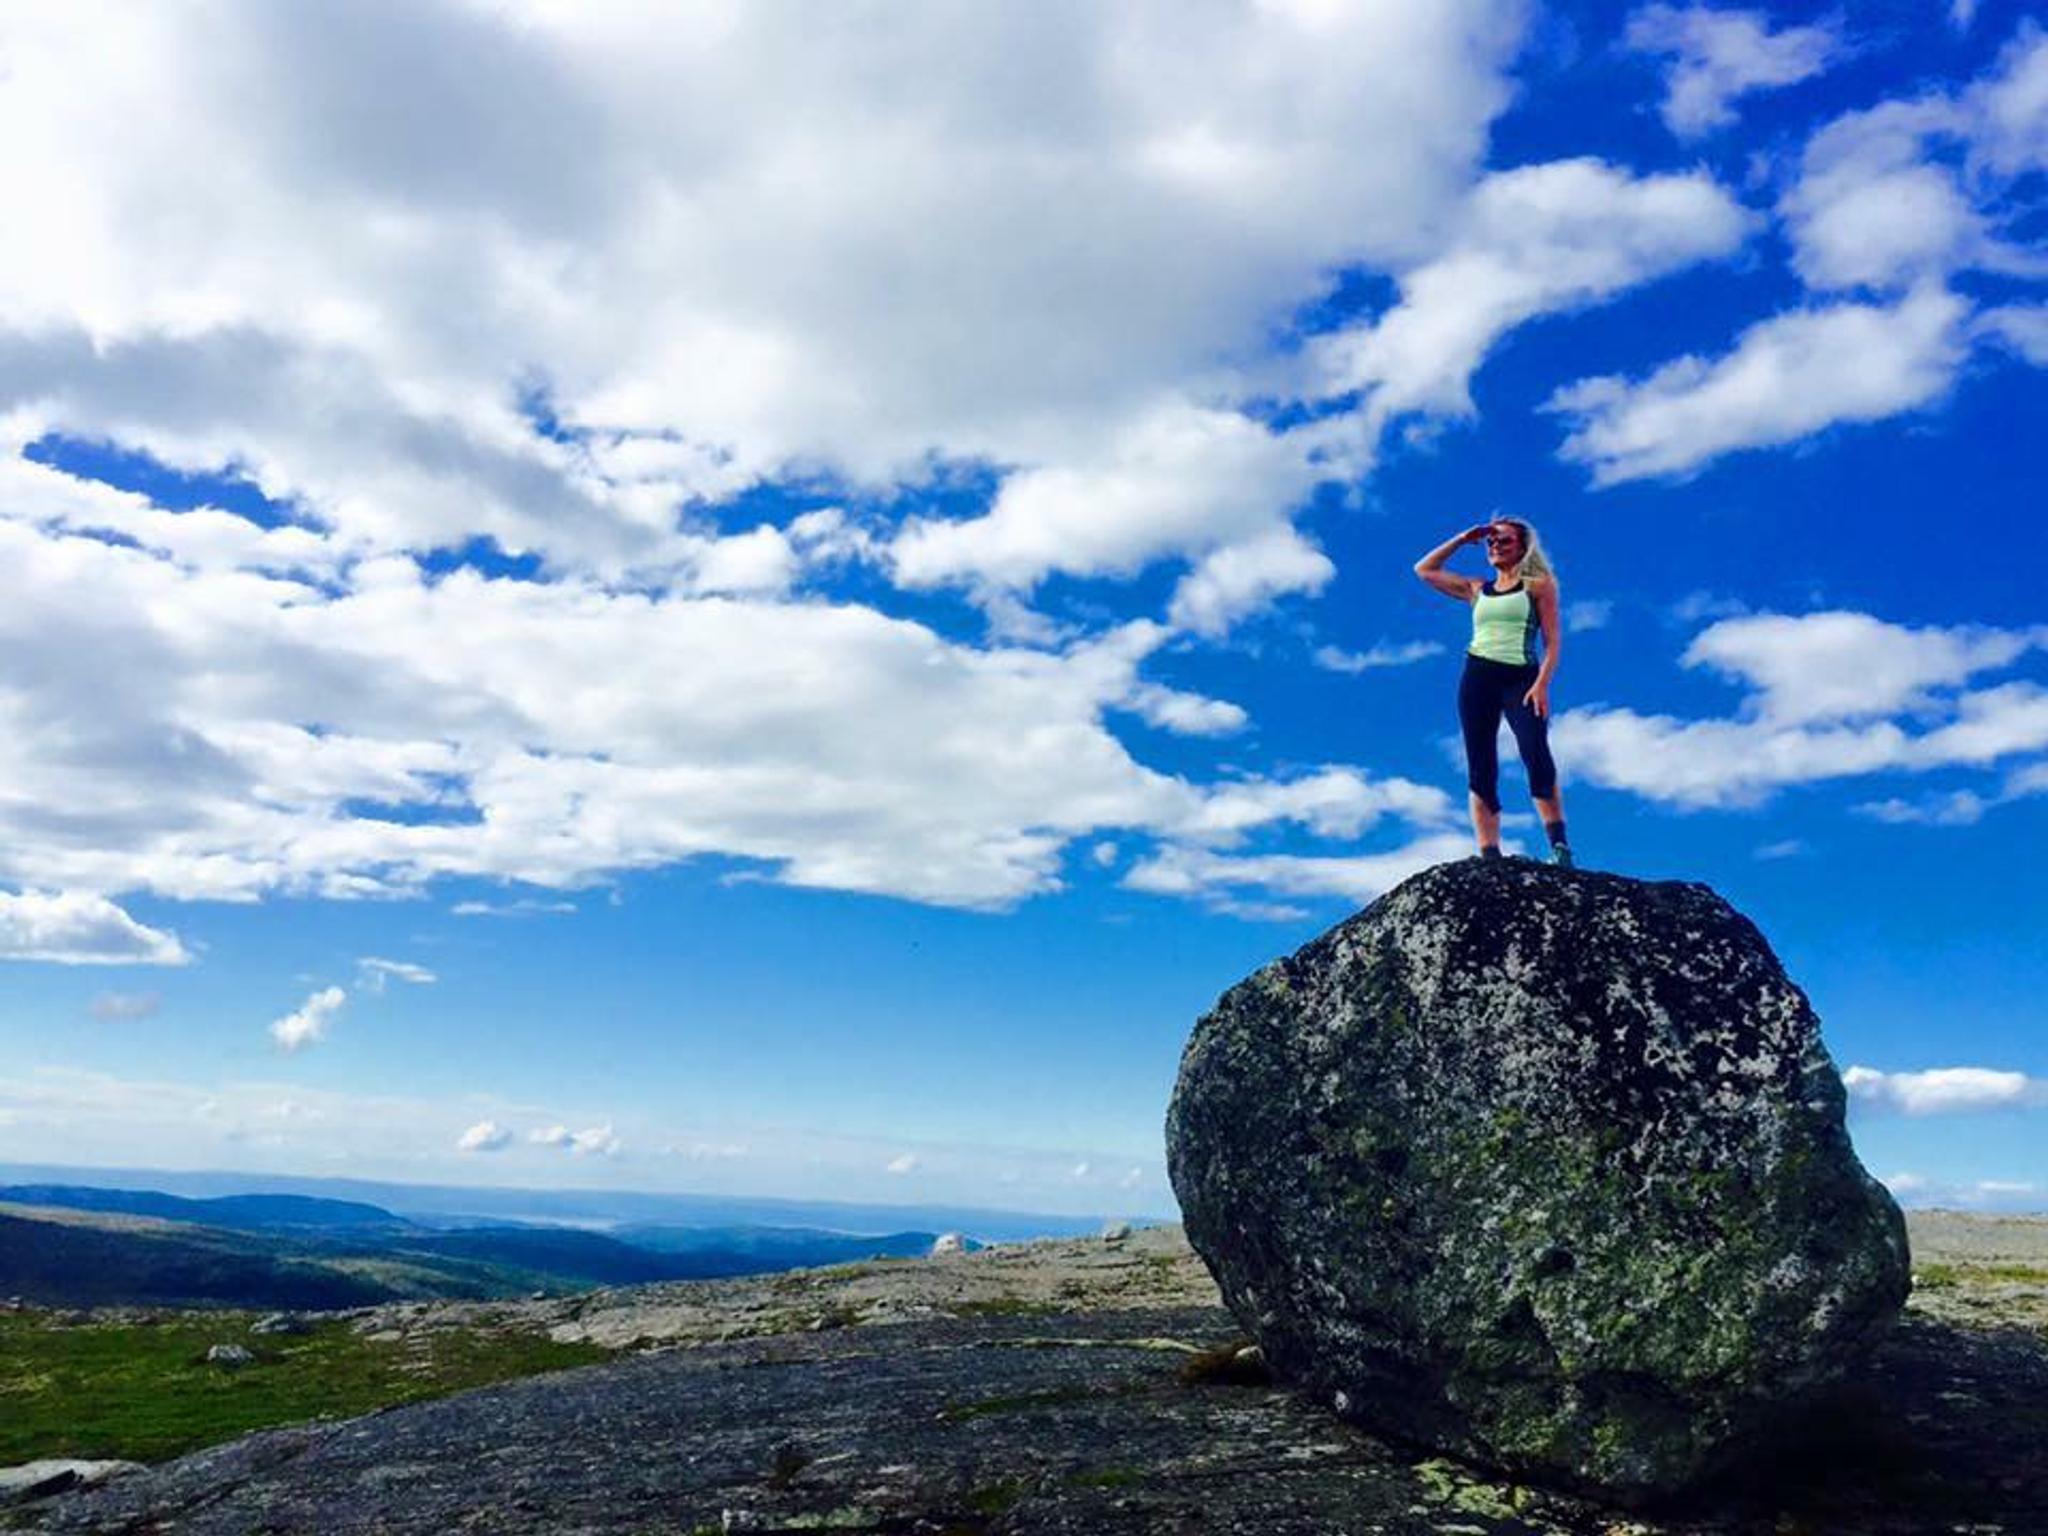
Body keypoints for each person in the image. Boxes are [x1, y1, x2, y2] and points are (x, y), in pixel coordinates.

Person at [1412, 518, 1571, 867]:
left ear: (1522, 547)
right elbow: (1424, 569)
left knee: (1535, 752)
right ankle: (1490, 855)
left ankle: (1559, 848)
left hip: (1522, 679)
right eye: (1491, 542)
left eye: (1504, 541)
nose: (1495, 546)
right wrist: (1461, 537)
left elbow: (1553, 640)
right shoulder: (1475, 589)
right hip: (1478, 677)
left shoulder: (1538, 585)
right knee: (1480, 765)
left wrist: (1542, 682)